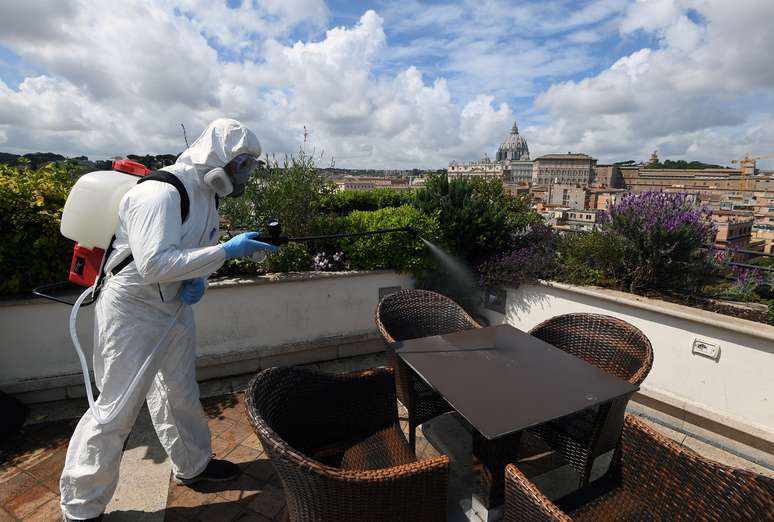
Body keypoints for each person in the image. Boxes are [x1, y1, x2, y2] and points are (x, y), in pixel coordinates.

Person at [60, 119, 276, 521]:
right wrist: (227, 252)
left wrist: (199, 278)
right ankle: (80, 507)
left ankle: (193, 465)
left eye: (251, 165)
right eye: (242, 163)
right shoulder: (160, 193)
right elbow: (155, 263)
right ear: (219, 157)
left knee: (179, 390)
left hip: (173, 305)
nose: (245, 173)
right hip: (132, 310)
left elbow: (193, 252)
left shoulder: (208, 195)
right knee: (115, 410)